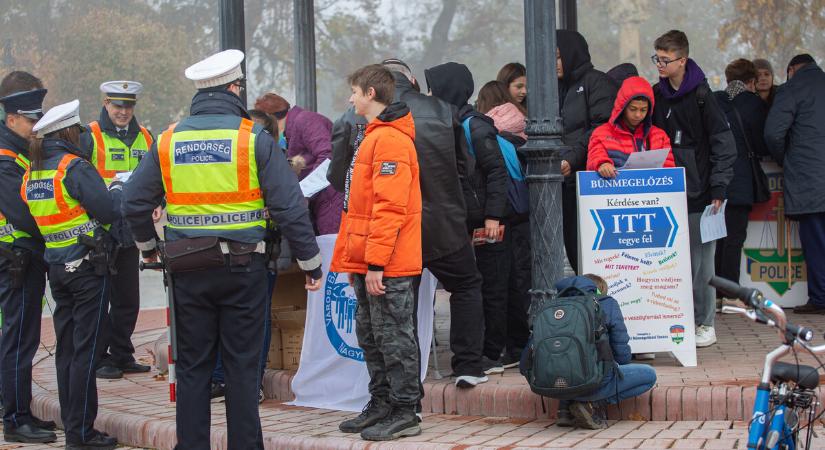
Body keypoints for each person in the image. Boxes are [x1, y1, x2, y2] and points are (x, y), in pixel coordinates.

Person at [122, 49, 323, 449]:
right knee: (242, 369)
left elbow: (132, 202)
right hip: (243, 271)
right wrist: (311, 264)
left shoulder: (168, 139)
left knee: (193, 368)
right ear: (234, 87)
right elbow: (288, 205)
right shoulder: (253, 139)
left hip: (187, 270)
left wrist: (148, 249)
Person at [329, 58, 488, 388]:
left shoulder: (353, 118)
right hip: (443, 223)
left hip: (390, 230)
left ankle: (403, 387)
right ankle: (469, 365)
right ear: (412, 80)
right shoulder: (443, 109)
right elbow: (466, 167)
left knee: (398, 306)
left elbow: (339, 176)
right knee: (466, 285)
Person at [24, 99, 121, 449]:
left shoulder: (34, 172)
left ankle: (75, 428)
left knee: (67, 351)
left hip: (58, 269)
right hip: (87, 269)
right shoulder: (72, 167)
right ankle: (81, 434)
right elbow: (107, 209)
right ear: (68, 132)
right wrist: (118, 190)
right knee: (87, 352)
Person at [333, 64, 422, 442]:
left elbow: (390, 208)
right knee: (372, 335)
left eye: (354, 91)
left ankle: (405, 410)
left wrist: (376, 263)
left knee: (394, 337)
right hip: (370, 259)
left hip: (387, 264)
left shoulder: (391, 141)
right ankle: (383, 403)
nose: (350, 98)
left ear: (371, 93)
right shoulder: (374, 135)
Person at [650, 30, 736, 346]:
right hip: (666, 189)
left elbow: (724, 144)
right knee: (675, 260)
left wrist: (719, 186)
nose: (659, 64)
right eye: (656, 58)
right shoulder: (655, 95)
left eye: (665, 59)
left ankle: (705, 323)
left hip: (701, 193)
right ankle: (680, 318)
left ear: (682, 60)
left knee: (702, 261)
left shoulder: (703, 97)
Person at [79, 81, 153, 380]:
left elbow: (155, 177)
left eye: (128, 106)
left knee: (127, 298)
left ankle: (122, 354)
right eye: (117, 106)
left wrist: (157, 202)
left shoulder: (146, 136)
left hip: (131, 228)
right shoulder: (90, 135)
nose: (123, 112)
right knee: (101, 297)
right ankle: (101, 358)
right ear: (106, 103)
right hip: (100, 230)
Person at [0, 77, 58, 443]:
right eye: (29, 118)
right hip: (16, 260)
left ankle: (22, 410)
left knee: (21, 339)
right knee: (18, 340)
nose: (36, 125)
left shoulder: (18, 152)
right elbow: (23, 214)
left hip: (21, 259)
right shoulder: (6, 160)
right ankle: (16, 418)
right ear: (11, 120)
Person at [476, 81, 532, 370]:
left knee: (497, 284)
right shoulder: (520, 131)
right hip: (521, 215)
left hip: (499, 218)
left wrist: (490, 216)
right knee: (517, 283)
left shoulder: (486, 133)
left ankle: (495, 347)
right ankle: (519, 345)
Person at [552, 274, 656, 429]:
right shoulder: (607, 303)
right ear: (600, 290)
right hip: (594, 378)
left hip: (553, 382)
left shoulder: (554, 307)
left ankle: (564, 408)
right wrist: (621, 367)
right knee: (649, 375)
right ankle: (589, 403)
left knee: (570, 365)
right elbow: (621, 351)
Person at [764, 53, 825, 314]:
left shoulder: (792, 89)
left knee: (816, 240)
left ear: (791, 70)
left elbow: (772, 133)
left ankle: (821, 299)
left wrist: (785, 159)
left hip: (809, 179)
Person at [557, 30, 618, 274]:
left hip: (590, 179)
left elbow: (601, 129)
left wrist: (572, 159)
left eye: (559, 57)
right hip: (564, 179)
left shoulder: (597, 82)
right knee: (572, 246)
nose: (554, 63)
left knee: (589, 247)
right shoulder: (557, 88)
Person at [713, 59, 770, 311]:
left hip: (716, 179)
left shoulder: (715, 101)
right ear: (751, 81)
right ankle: (731, 295)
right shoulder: (754, 103)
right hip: (740, 179)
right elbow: (761, 142)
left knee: (718, 240)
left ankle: (715, 295)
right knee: (734, 239)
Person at [254, 93, 343, 236]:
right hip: (321, 198)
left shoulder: (305, 120)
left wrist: (303, 193)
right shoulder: (292, 129)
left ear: (270, 117)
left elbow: (328, 156)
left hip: (331, 197)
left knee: (330, 249)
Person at [586, 76, 674, 178]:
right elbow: (595, 157)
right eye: (633, 109)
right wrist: (602, 164)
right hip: (615, 191)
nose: (638, 115)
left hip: (652, 192)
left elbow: (669, 173)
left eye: (643, 110)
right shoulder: (601, 134)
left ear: (650, 110)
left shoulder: (660, 136)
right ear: (622, 107)